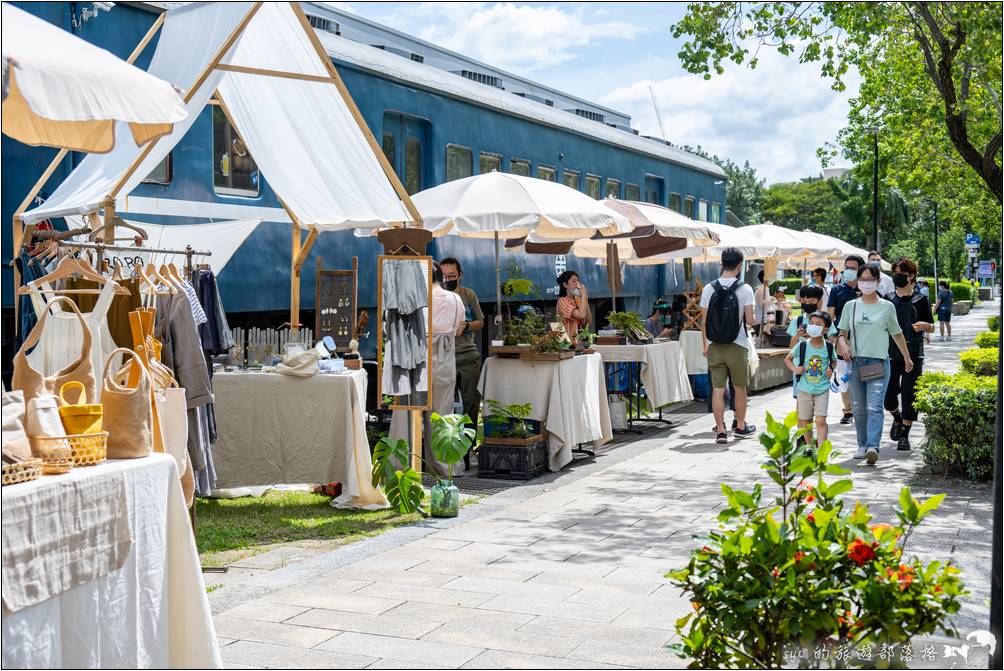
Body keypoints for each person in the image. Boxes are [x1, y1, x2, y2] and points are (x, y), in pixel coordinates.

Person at [836, 262, 914, 465]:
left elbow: (897, 334)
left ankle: (873, 446)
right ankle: (862, 445)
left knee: (874, 406)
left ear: (878, 281)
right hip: (856, 362)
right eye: (863, 279)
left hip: (877, 362)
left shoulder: (887, 307)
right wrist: (843, 345)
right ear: (858, 281)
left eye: (870, 279)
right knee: (859, 407)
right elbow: (841, 333)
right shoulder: (851, 306)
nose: (866, 283)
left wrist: (907, 358)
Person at [700, 247, 757, 444]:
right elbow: (749, 321)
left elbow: (704, 321)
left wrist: (705, 345)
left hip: (715, 345)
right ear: (740, 266)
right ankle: (740, 426)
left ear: (721, 264)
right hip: (738, 344)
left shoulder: (709, 288)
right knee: (739, 388)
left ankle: (721, 431)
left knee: (717, 388)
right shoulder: (745, 289)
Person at [884, 258, 934, 451]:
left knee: (909, 395)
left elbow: (931, 325)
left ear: (911, 276)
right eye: (895, 273)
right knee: (888, 397)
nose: (897, 277)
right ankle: (897, 417)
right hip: (890, 354)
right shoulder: (888, 299)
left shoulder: (921, 299)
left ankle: (905, 434)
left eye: (901, 275)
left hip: (914, 353)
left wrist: (926, 327)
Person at [440, 257, 485, 454]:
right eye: (444, 276)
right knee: (445, 406)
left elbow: (481, 321)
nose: (448, 279)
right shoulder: (437, 296)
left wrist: (466, 325)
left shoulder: (468, 295)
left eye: (452, 276)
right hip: (444, 357)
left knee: (471, 405)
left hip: (467, 356)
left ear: (460, 276)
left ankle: (468, 447)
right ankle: (447, 448)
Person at [784, 311, 837, 449]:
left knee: (820, 420)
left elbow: (834, 361)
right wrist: (795, 369)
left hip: (822, 388)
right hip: (804, 388)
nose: (813, 326)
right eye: (811, 323)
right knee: (805, 421)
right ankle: (810, 446)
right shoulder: (802, 345)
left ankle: (821, 451)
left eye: (818, 324)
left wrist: (830, 369)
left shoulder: (829, 346)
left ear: (826, 329)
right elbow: (787, 359)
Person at [828, 254, 864, 425]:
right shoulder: (836, 290)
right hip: (842, 338)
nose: (849, 270)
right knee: (843, 374)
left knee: (862, 372)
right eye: (846, 267)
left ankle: (861, 408)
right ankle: (848, 410)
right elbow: (830, 316)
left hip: (864, 338)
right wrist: (833, 336)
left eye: (853, 268)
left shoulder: (867, 291)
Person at [556, 270, 591, 340]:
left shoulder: (577, 299)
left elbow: (588, 320)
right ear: (565, 285)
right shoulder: (562, 301)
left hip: (578, 342)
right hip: (566, 343)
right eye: (574, 281)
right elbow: (581, 315)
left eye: (578, 281)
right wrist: (583, 295)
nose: (577, 284)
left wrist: (585, 299)